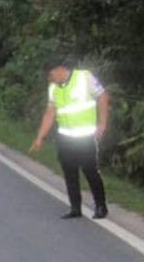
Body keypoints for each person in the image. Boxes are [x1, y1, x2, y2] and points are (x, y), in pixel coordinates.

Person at [29, 56, 109, 220]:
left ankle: (100, 206)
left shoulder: (84, 77)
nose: (50, 79)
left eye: (50, 75)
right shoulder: (53, 88)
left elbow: (102, 96)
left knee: (90, 172)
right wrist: (40, 137)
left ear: (59, 69)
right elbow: (50, 113)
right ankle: (75, 207)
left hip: (85, 137)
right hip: (65, 138)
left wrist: (102, 123)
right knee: (69, 173)